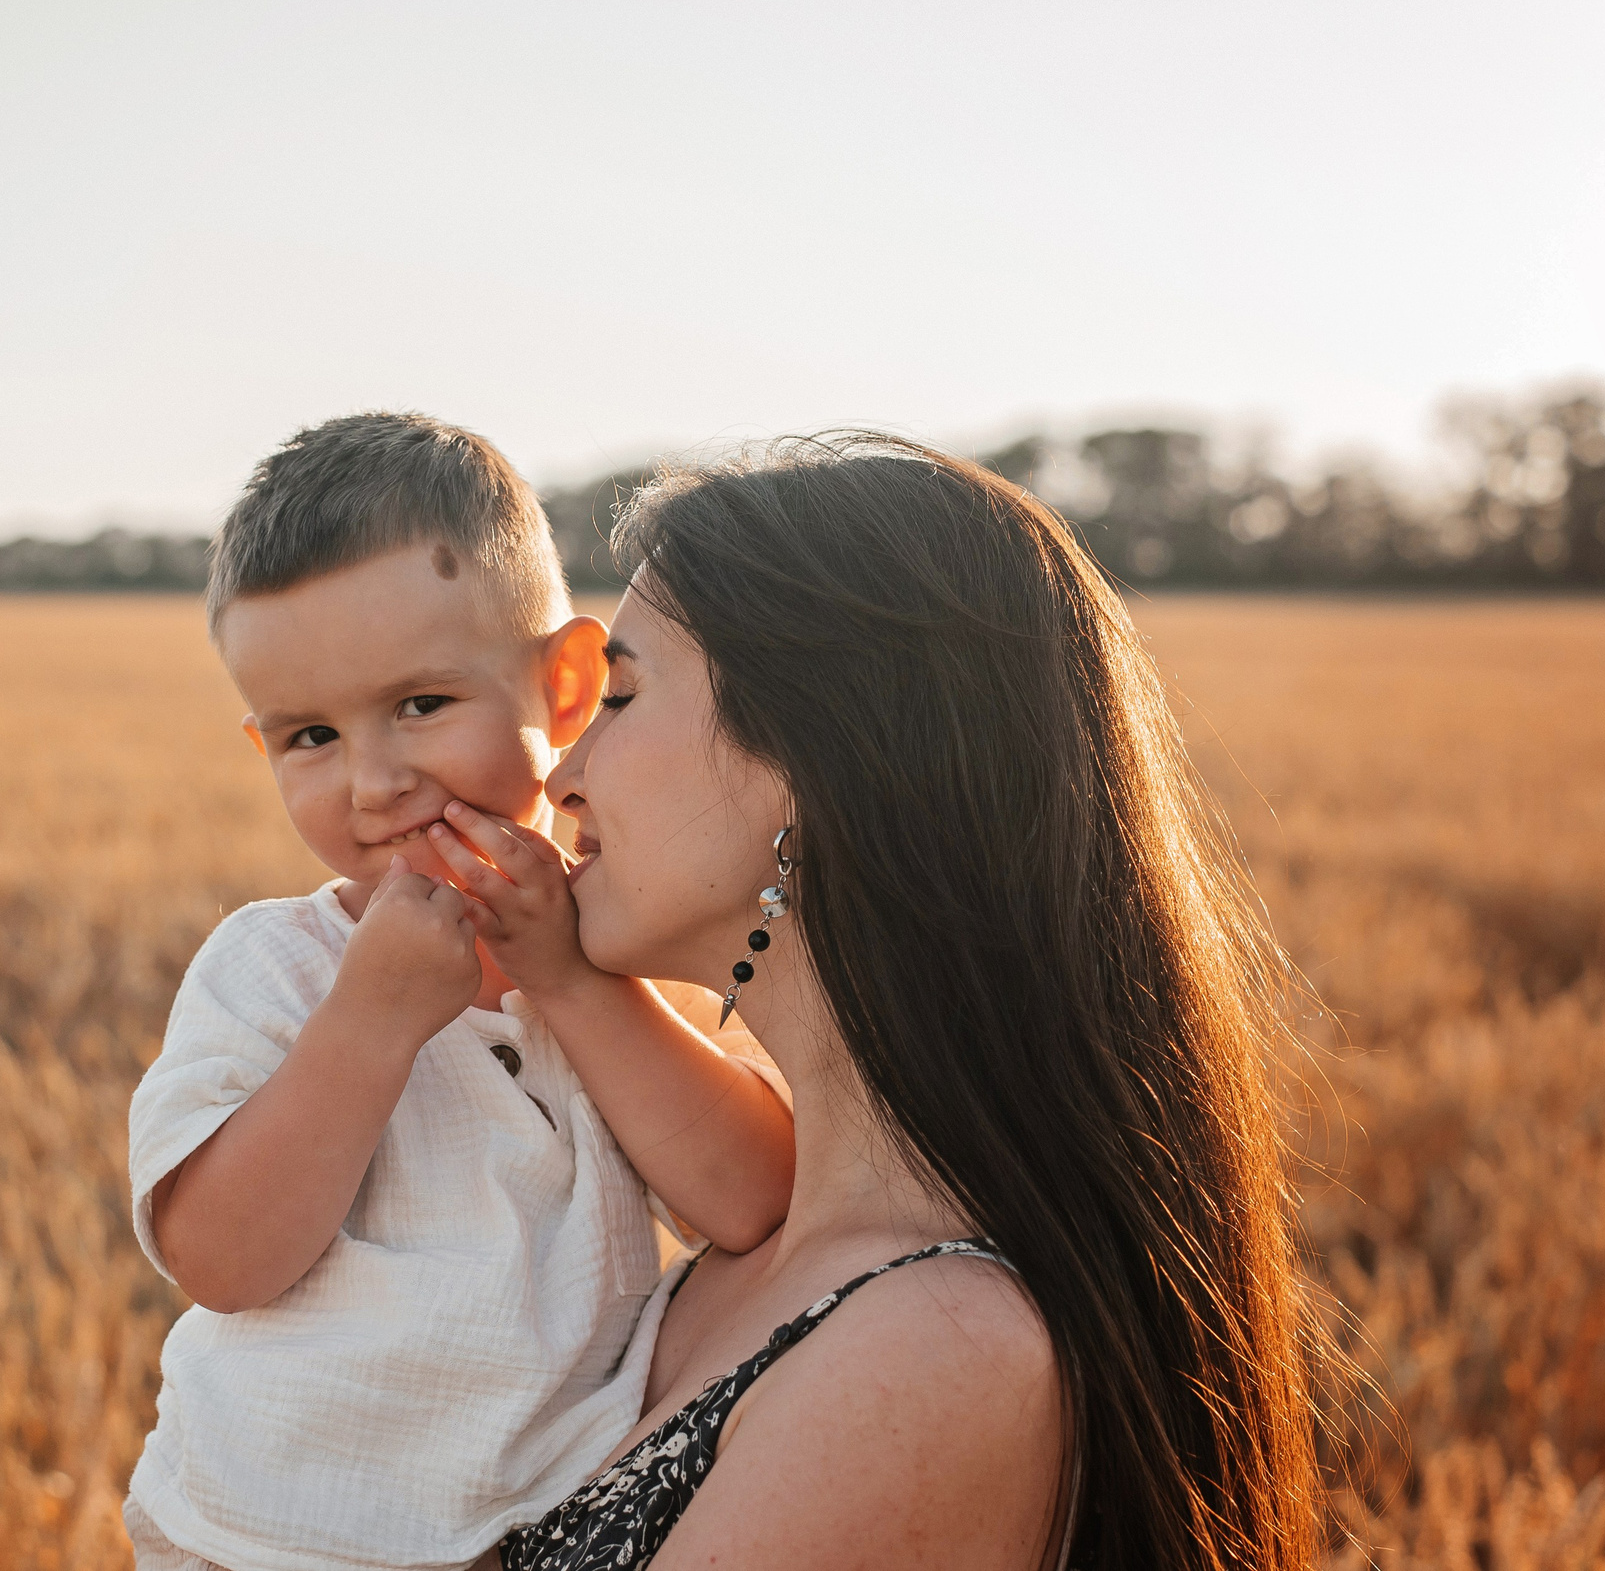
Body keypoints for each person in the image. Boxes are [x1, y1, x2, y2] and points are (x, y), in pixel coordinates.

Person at [488, 434, 1320, 1570]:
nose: (559, 774)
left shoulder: (932, 1348)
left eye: (621, 696)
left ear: (814, 755)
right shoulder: (750, 1244)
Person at [124, 413, 798, 1571]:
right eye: (312, 736)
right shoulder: (274, 967)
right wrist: (369, 1021)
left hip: (534, 1526)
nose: (373, 780)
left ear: (567, 685)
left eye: (420, 704)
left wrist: (573, 986)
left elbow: (748, 1198)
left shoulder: (617, 957)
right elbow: (222, 1262)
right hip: (272, 1532)